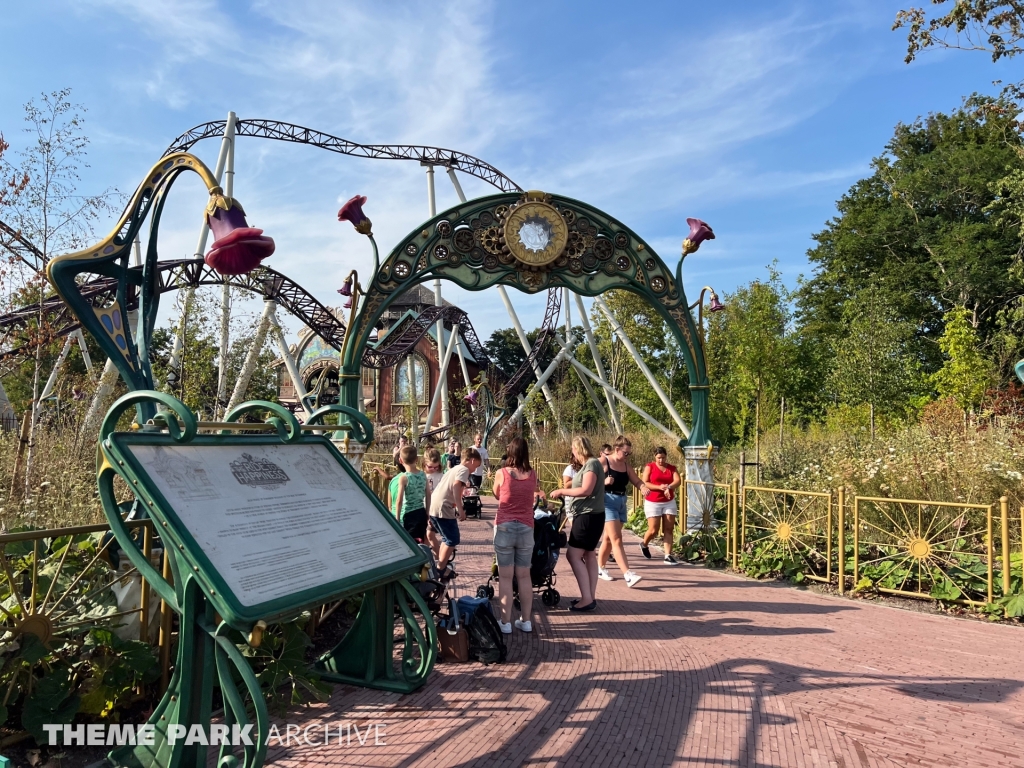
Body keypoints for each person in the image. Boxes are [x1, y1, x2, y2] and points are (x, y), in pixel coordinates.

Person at [491, 437, 544, 634]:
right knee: (524, 576)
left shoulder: (502, 473)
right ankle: (526, 620)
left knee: (505, 577)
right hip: (525, 527)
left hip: (505, 526)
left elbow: (497, 494)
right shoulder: (532, 474)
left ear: (510, 452)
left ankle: (505, 622)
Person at [549, 436, 604, 612]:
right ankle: (589, 596)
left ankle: (587, 598)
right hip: (591, 515)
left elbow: (586, 490)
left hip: (588, 517)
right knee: (588, 555)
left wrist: (561, 491)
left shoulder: (591, 464)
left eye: (573, 449)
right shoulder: (590, 465)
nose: (572, 452)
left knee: (573, 555)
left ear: (578, 449)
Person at [597, 435, 644, 587]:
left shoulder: (625, 465)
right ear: (616, 450)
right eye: (625, 453)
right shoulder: (604, 461)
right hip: (607, 501)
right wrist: (603, 482)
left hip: (621, 502)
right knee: (617, 538)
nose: (627, 456)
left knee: (609, 539)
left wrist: (643, 487)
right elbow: (588, 478)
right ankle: (628, 574)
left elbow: (636, 480)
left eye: (629, 453)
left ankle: (600, 567)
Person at [428, 446, 481, 574]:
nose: (475, 470)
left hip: (434, 506)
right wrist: (460, 508)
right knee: (452, 538)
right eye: (476, 466)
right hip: (443, 507)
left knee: (447, 538)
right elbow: (456, 485)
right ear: (472, 461)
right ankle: (440, 568)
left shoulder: (454, 469)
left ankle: (440, 564)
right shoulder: (464, 469)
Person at [640, 446, 682, 564]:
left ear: (666, 457)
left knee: (669, 528)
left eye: (663, 458)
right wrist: (659, 487)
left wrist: (669, 487)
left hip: (668, 501)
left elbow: (677, 481)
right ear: (655, 457)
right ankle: (644, 544)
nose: (661, 460)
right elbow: (645, 482)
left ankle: (668, 555)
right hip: (653, 501)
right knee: (653, 529)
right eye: (659, 458)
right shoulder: (650, 467)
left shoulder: (672, 468)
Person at [392, 445, 430, 542]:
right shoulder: (423, 474)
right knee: (421, 538)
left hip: (409, 514)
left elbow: (399, 500)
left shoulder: (404, 478)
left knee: (411, 542)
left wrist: (397, 518)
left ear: (400, 460)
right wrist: (427, 512)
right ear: (416, 459)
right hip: (421, 511)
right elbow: (428, 494)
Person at [423, 448, 444, 554]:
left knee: (430, 535)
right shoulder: (422, 475)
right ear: (424, 463)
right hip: (424, 508)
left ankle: (439, 559)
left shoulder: (440, 476)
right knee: (425, 537)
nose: (434, 469)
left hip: (434, 509)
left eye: (436, 467)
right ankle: (429, 560)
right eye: (430, 467)